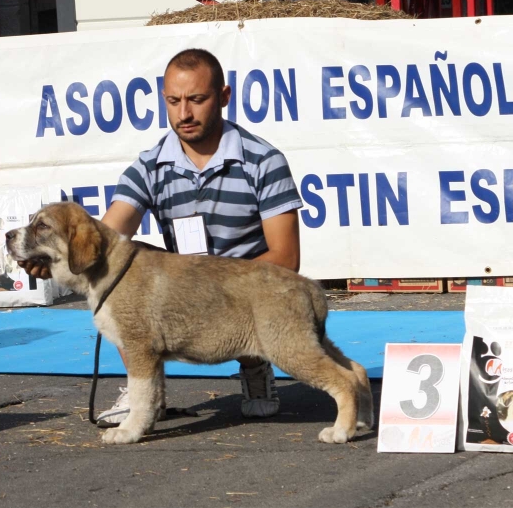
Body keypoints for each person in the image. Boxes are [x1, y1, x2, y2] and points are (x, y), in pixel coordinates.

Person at [21, 48, 303, 427]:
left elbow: (286, 260)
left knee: (261, 291)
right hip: (187, 287)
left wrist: (211, 282)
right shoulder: (149, 166)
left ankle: (255, 366)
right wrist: (52, 258)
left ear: (223, 97)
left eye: (196, 100)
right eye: (173, 101)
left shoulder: (264, 161)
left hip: (244, 289)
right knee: (118, 280)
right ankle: (143, 392)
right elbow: (106, 241)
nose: (183, 113)